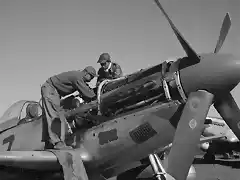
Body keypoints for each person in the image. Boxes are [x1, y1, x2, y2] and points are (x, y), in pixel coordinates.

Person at [41, 66, 97, 149]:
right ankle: (57, 143)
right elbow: (88, 93)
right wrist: (96, 97)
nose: (91, 79)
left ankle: (50, 143)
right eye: (91, 76)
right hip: (51, 90)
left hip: (53, 91)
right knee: (54, 116)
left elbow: (85, 89)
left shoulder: (78, 76)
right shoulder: (78, 77)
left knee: (56, 116)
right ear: (86, 73)